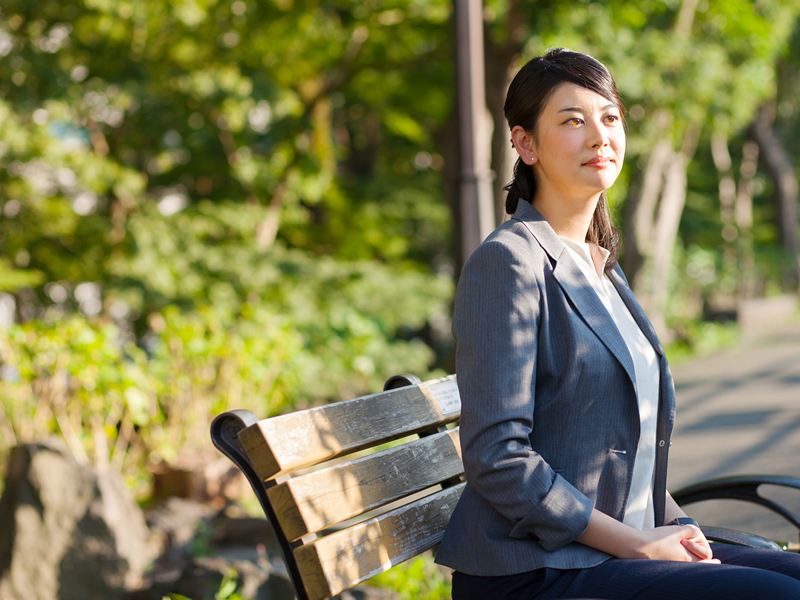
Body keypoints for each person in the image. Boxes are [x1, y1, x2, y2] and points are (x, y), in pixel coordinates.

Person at [434, 48, 800, 599]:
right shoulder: (509, 262)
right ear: (525, 143)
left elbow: (630, 450)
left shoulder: (599, 263)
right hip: (539, 570)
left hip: (618, 547)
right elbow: (497, 458)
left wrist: (674, 524)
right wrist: (637, 543)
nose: (599, 135)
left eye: (609, 117)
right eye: (572, 121)